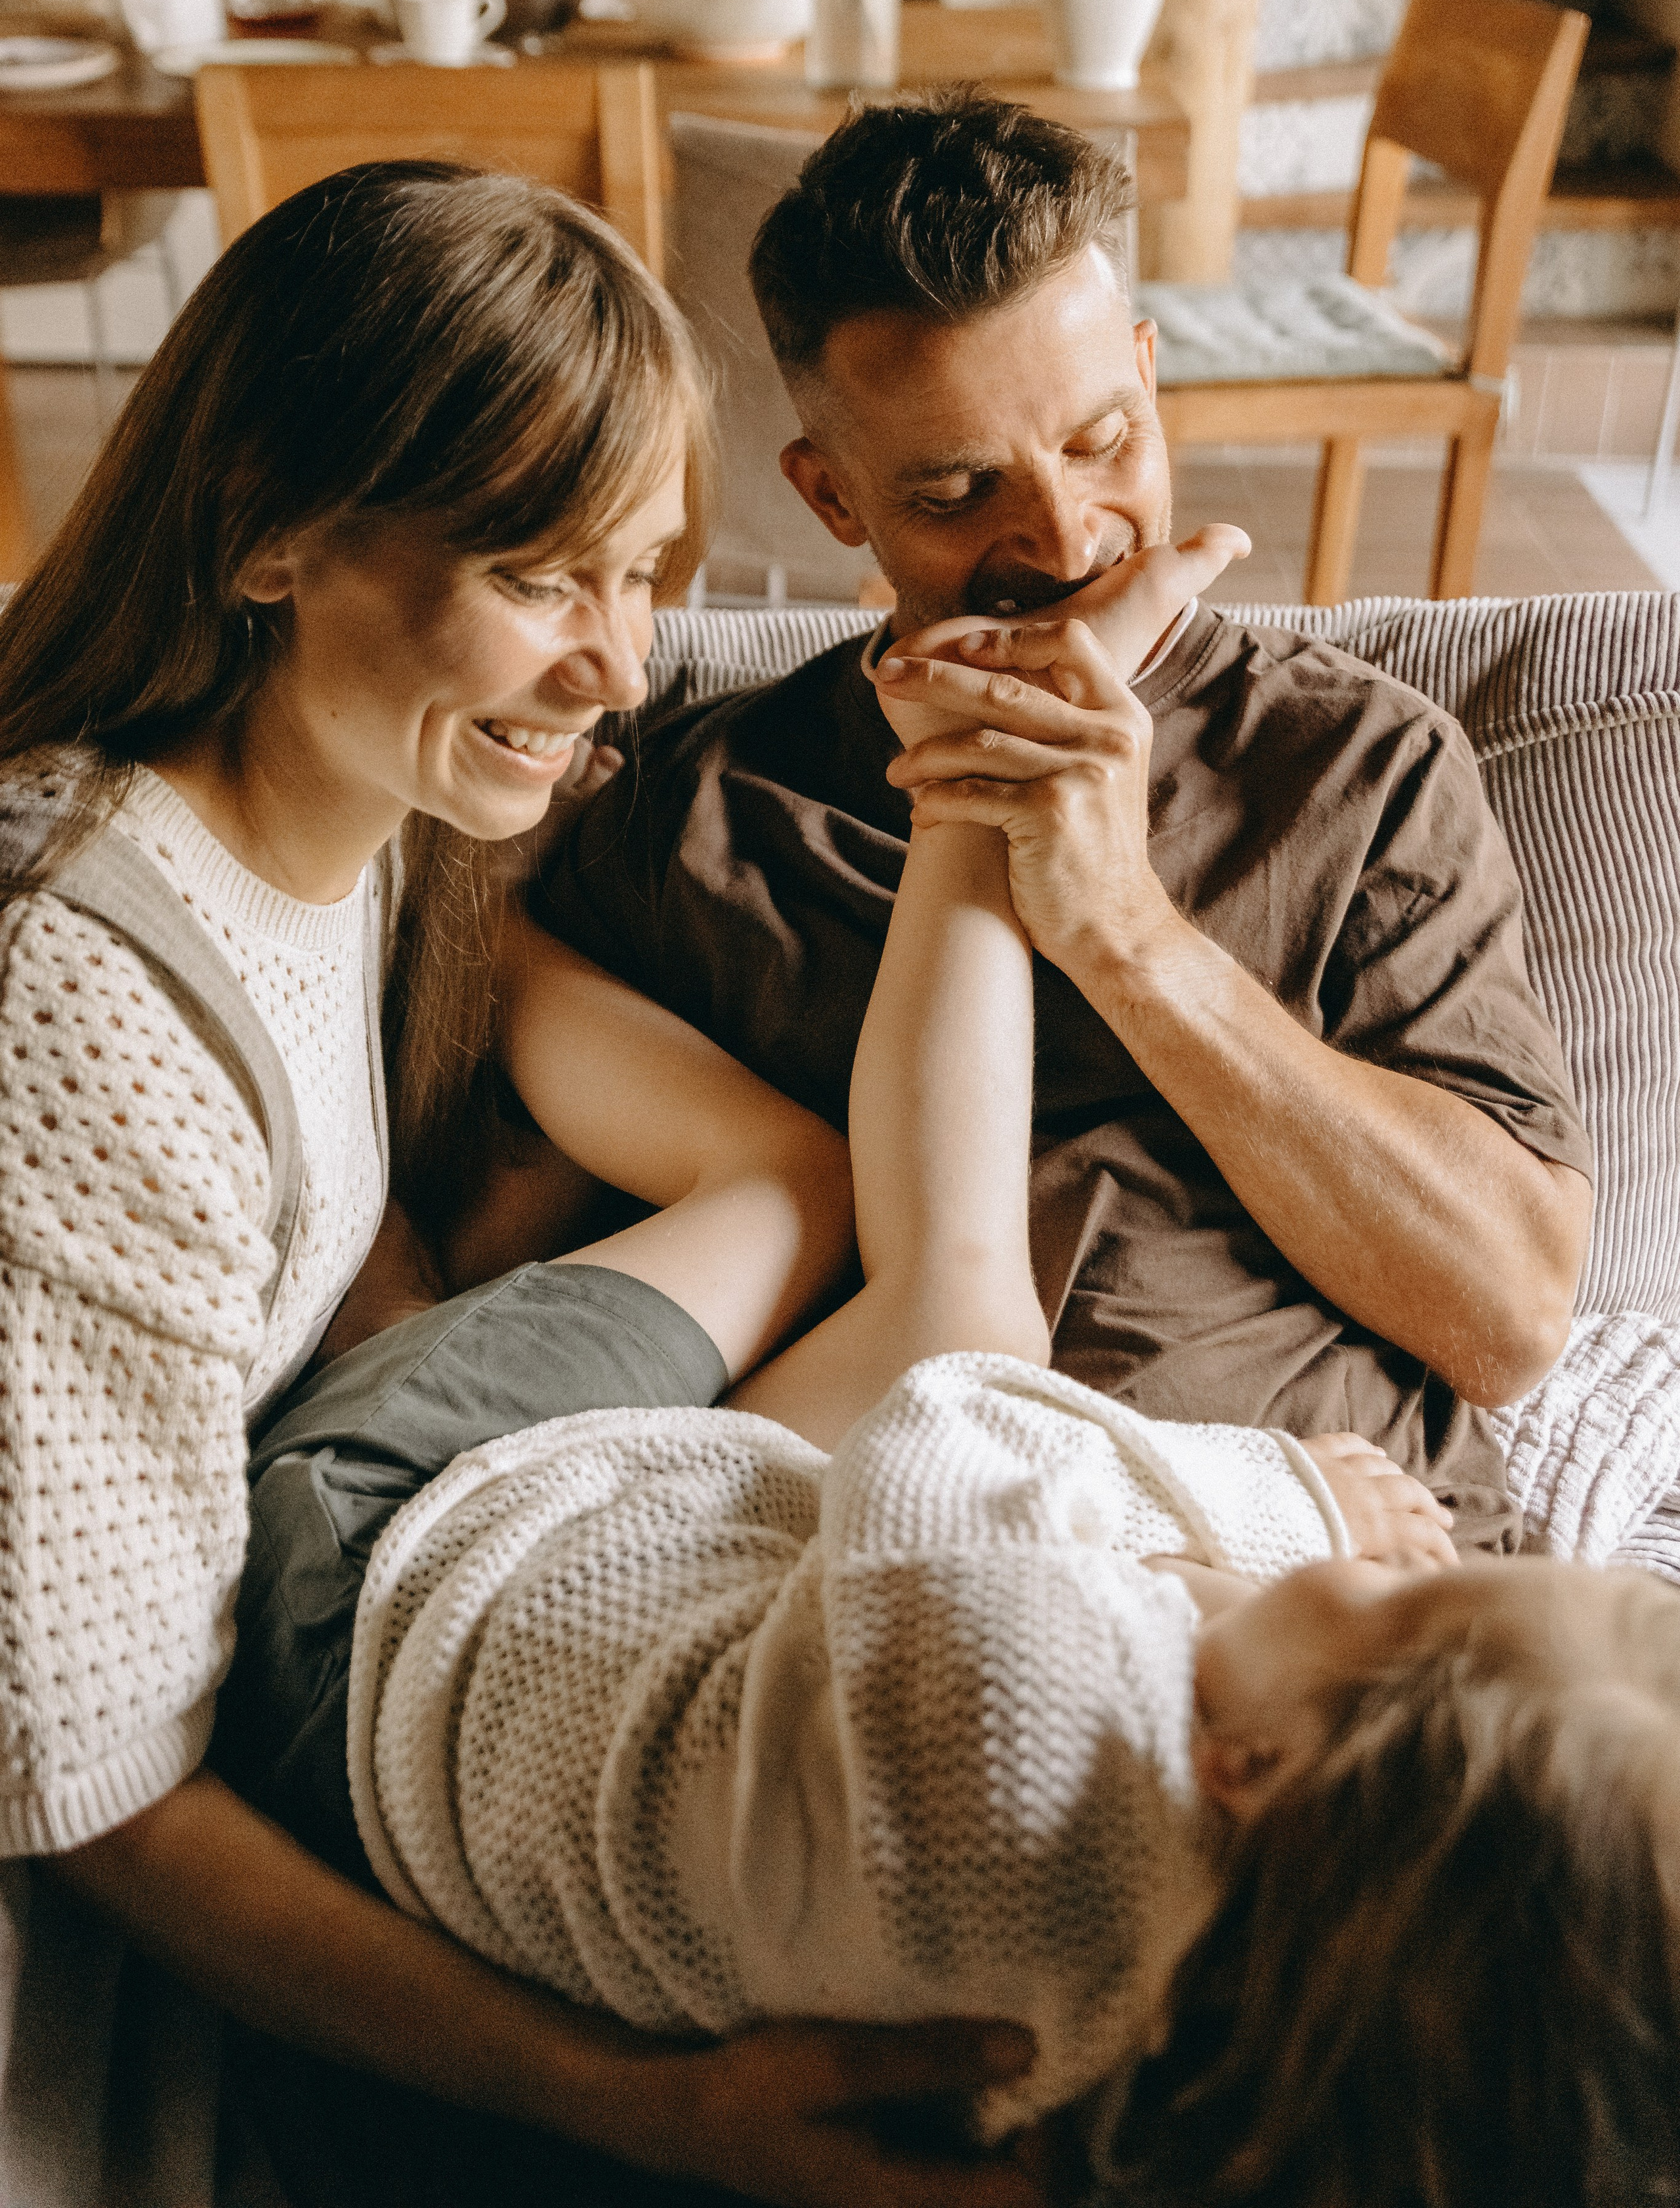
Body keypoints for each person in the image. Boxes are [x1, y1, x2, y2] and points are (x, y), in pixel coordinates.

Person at [244, 535, 1680, 2208]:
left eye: (1393, 1609)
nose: (1379, 1562)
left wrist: (1275, 1496)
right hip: (646, 1667)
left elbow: (955, 1426)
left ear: (1253, 1769)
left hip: (380, 1583)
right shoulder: (1219, 2045)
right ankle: (951, 790)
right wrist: (1270, 1590)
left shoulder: (1025, 1691)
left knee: (912, 1276)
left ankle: (848, 814)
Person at [0, 159, 1040, 2208]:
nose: (624, 674)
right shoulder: (72, 994)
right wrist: (642, 2108)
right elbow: (104, 1797)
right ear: (276, 530)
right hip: (115, 1926)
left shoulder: (381, 817)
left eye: (647, 576)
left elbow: (796, 1176)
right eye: (548, 578)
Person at [522, 89, 1595, 1539]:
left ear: (1149, 376)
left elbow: (1508, 1319)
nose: (1063, 537)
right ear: (830, 497)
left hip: (1339, 1588)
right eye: (961, 491)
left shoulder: (1351, 765)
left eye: (1102, 442)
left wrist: (1125, 935)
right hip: (889, 1571)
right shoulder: (700, 811)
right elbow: (518, 1290)